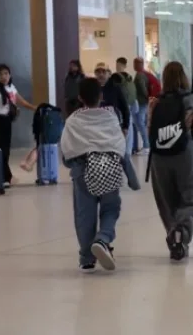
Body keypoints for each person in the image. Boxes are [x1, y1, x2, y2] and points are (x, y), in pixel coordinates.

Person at [60, 77, 140, 273]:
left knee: (84, 215)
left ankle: (87, 258)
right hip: (110, 169)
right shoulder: (111, 117)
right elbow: (120, 147)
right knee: (111, 208)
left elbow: (66, 151)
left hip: (83, 170)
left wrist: (73, 164)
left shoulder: (73, 120)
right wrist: (131, 177)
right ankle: (103, 238)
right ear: (101, 96)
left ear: (80, 97)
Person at [148, 61, 193, 261]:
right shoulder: (192, 99)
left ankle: (173, 234)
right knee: (186, 199)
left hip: (159, 158)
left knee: (166, 201)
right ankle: (183, 235)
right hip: (185, 154)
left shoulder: (155, 102)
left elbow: (149, 131)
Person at [0, 64, 36, 187]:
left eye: (6, 73)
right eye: (1, 74)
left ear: (10, 75)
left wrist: (35, 108)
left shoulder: (11, 87)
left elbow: (21, 101)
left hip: (6, 121)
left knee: (6, 150)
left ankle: (5, 177)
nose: (4, 76)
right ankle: (3, 178)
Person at [115, 57, 139, 158]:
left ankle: (125, 152)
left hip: (121, 107)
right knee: (129, 129)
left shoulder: (116, 78)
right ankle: (128, 151)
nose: (117, 67)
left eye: (118, 65)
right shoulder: (129, 77)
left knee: (125, 129)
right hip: (129, 105)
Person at [132, 57, 156, 154]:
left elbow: (143, 89)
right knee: (144, 124)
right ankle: (147, 144)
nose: (134, 65)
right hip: (144, 103)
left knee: (140, 123)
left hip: (141, 103)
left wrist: (147, 97)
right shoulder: (144, 74)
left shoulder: (139, 75)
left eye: (135, 63)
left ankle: (146, 145)